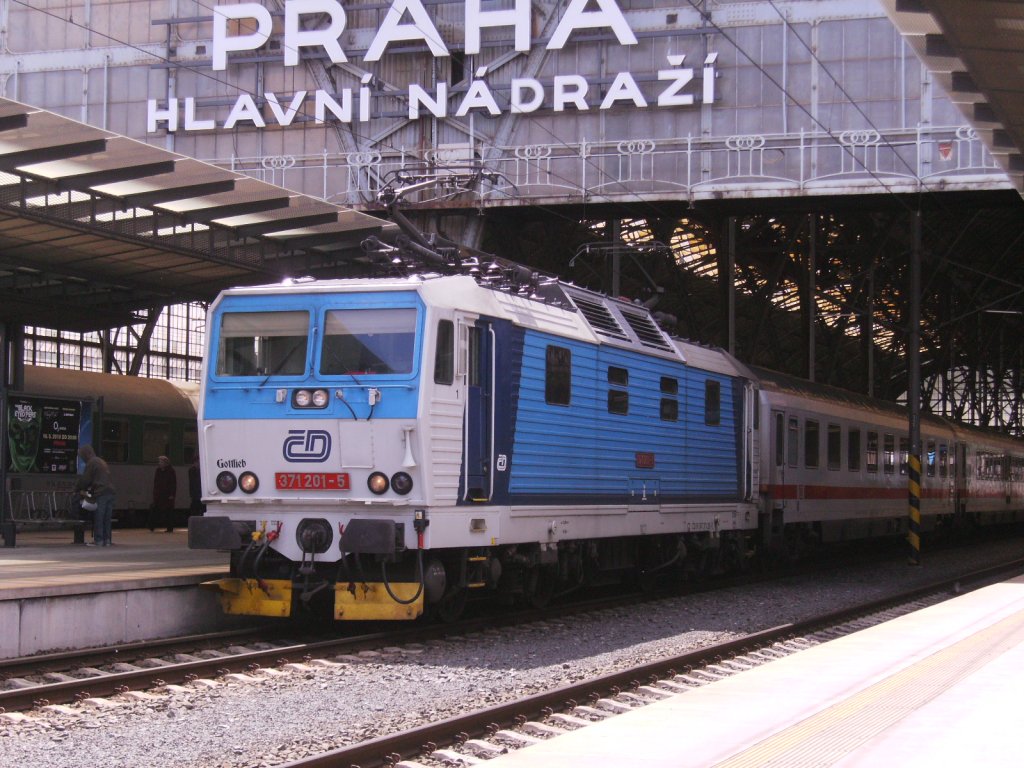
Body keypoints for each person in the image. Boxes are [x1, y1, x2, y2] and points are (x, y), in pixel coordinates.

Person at [75, 444, 116, 546]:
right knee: (107, 518)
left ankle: (99, 540)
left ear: (87, 454)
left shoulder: (92, 462)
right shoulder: (101, 461)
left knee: (99, 517)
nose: (83, 459)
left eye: (83, 456)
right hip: (110, 492)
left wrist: (77, 488)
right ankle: (107, 540)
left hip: (101, 493)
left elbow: (85, 479)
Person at [151, 455, 177, 532]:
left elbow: (173, 483)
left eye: (161, 462)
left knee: (169, 511)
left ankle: (169, 528)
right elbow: (156, 483)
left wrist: (172, 494)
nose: (159, 463)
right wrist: (155, 493)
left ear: (165, 463)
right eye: (159, 462)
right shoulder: (158, 471)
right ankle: (152, 526)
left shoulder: (171, 471)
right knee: (155, 509)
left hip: (167, 495)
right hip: (159, 494)